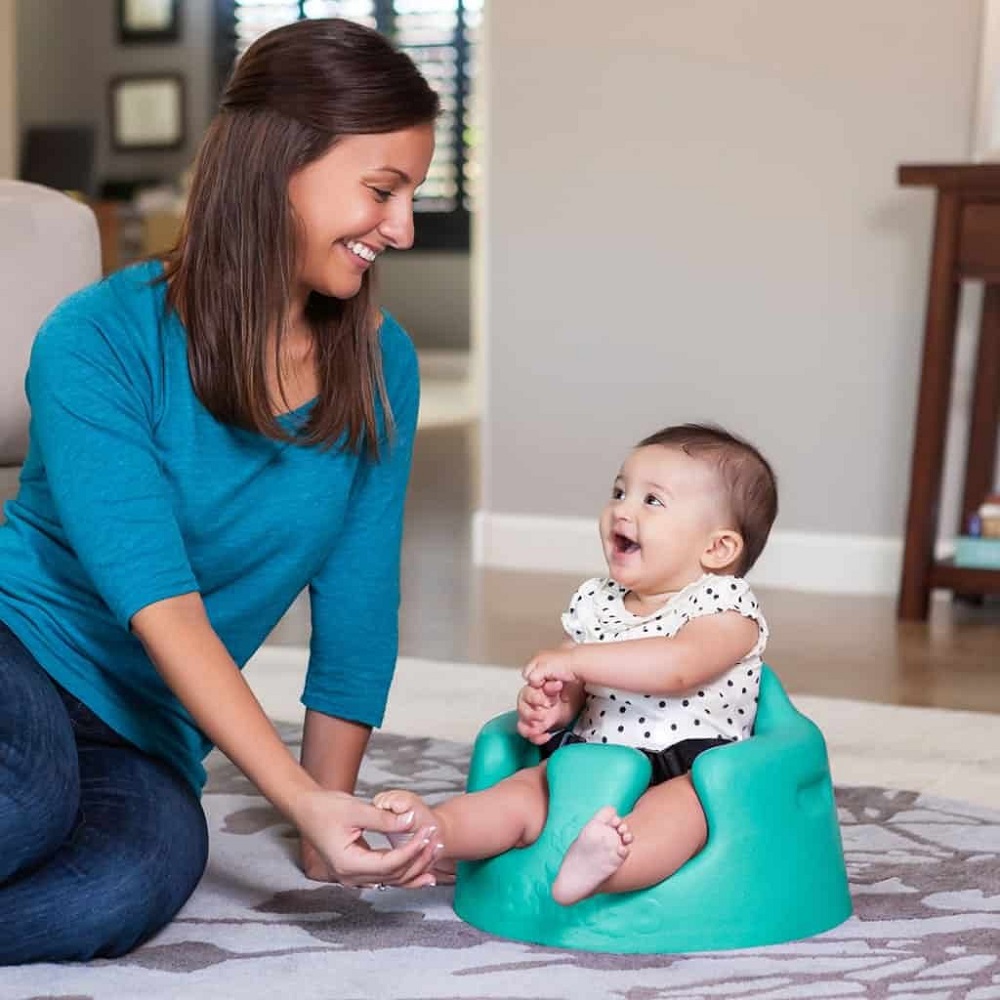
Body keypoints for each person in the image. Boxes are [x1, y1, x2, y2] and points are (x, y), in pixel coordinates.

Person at [0, 18, 445, 964]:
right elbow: (157, 601)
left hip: (143, 726)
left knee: (131, 882)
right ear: (277, 164)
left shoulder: (380, 365)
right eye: (382, 189)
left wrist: (334, 824)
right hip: (17, 650)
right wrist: (292, 792)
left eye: (412, 194)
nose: (401, 228)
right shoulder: (96, 341)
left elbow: (361, 599)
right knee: (26, 800)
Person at [375, 424, 778, 906]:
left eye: (652, 501)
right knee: (523, 794)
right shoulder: (599, 602)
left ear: (717, 548)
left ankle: (608, 869)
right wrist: (552, 705)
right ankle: (435, 836)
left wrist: (578, 660)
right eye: (619, 491)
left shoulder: (726, 606)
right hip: (591, 758)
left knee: (682, 815)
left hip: (689, 765)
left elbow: (680, 667)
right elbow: (576, 689)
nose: (622, 510)